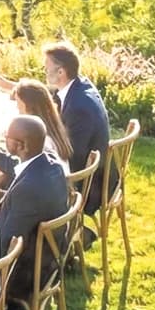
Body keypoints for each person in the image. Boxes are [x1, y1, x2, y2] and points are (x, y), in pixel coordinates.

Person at [0, 116, 70, 308]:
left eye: (7, 137)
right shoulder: (51, 165)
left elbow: (5, 245)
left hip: (27, 275)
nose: (4, 138)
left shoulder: (28, 189)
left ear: (22, 146)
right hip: (49, 257)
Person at [44, 43, 112, 215]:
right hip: (99, 173)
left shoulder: (79, 107)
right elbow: (46, 95)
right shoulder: (79, 86)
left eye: (46, 68)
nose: (44, 71)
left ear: (61, 72)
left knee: (25, 178)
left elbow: (71, 156)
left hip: (88, 188)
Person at [0, 80, 74, 173]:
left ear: (31, 109)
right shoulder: (53, 127)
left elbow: (16, 167)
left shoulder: (42, 140)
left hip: (43, 198)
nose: (17, 111)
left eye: (19, 107)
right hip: (54, 192)